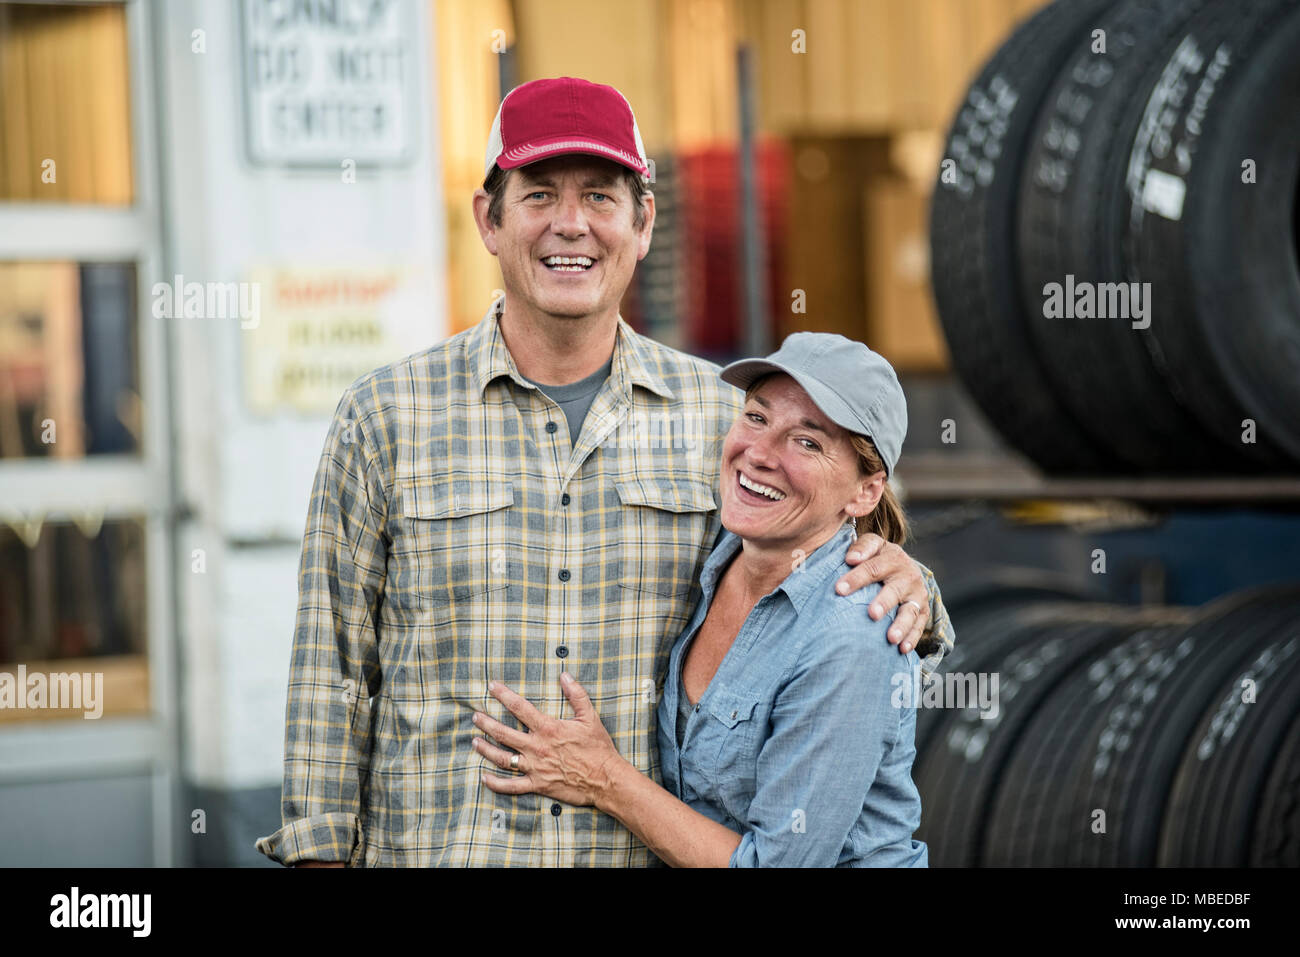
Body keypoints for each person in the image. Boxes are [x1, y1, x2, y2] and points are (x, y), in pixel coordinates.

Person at [255, 76, 953, 868]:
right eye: (539, 194)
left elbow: (812, 555)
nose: (571, 224)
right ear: (490, 219)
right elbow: (331, 678)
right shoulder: (383, 418)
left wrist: (911, 585)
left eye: (600, 196)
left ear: (643, 221)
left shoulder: (716, 419)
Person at [473, 333, 928, 866]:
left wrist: (603, 777)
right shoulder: (711, 553)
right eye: (757, 418)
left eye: (808, 442)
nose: (759, 454)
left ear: (865, 491)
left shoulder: (852, 635)